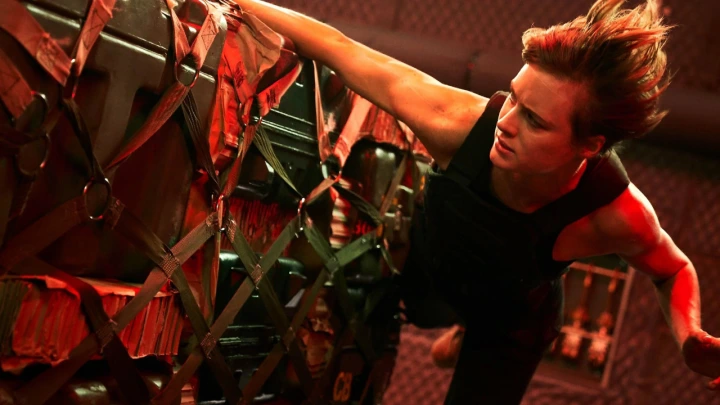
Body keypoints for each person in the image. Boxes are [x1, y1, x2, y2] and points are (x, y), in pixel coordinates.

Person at [232, 0, 720, 403]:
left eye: (535, 121)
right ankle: (457, 326)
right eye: (512, 98)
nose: (505, 123)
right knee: (415, 303)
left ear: (589, 147)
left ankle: (469, 332)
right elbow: (337, 46)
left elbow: (673, 269)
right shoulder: (457, 123)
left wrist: (688, 337)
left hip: (510, 319)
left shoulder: (615, 212)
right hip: (431, 263)